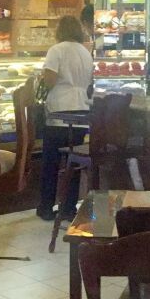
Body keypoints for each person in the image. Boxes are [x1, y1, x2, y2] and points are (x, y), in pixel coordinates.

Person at [37, 15, 93, 221]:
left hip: (59, 112)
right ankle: (69, 208)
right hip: (81, 110)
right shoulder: (85, 53)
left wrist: (41, 79)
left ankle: (46, 206)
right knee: (72, 161)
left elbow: (50, 80)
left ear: (60, 31)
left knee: (51, 162)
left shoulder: (56, 50)